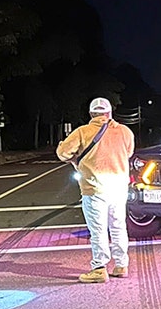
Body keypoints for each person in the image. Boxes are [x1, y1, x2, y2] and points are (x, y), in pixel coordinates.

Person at [56, 97, 136, 282]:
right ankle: (121, 264)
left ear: (91, 114)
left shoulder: (83, 132)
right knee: (118, 227)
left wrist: (69, 152)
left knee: (98, 230)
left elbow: (62, 154)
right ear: (109, 113)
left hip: (95, 188)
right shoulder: (125, 132)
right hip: (118, 187)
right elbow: (129, 152)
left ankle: (99, 268)